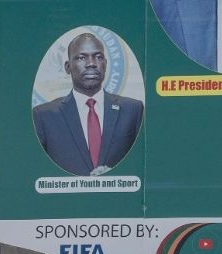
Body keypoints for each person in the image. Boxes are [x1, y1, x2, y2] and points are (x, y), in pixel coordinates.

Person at [32, 32, 144, 175]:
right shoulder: (44, 116)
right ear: (68, 67)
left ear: (105, 64)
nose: (91, 63)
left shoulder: (133, 110)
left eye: (98, 57)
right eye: (81, 58)